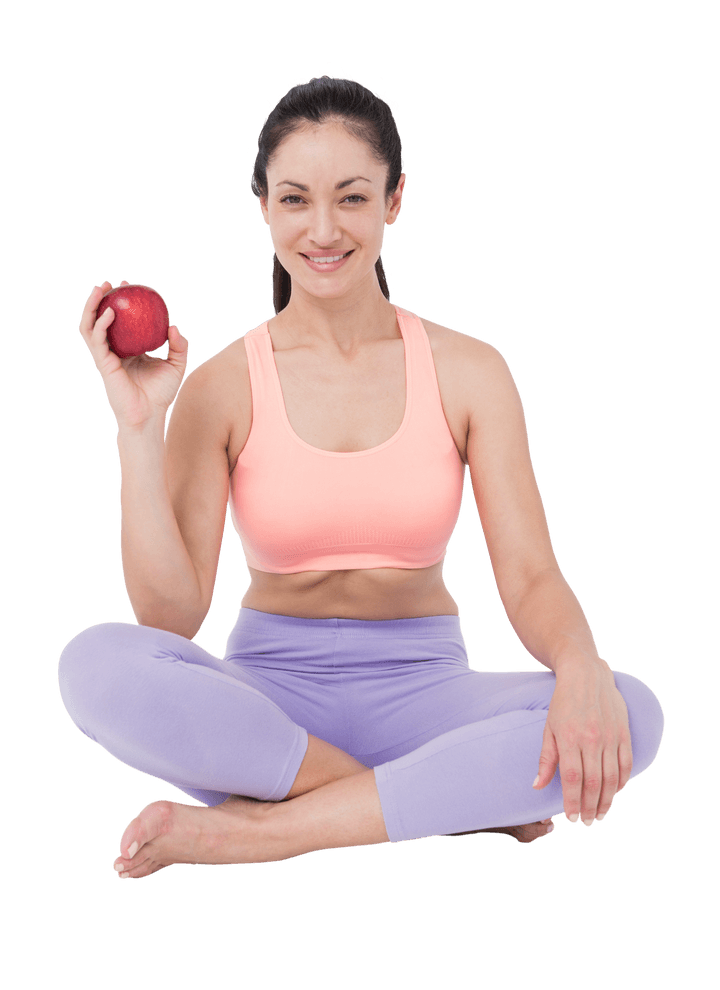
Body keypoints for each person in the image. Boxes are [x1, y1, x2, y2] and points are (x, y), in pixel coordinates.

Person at [58, 74, 664, 881]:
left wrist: (582, 668)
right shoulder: (221, 386)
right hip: (269, 711)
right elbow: (169, 619)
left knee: (633, 713)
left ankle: (261, 832)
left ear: (394, 200)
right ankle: (437, 799)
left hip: (430, 698)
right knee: (92, 664)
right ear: (263, 205)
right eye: (294, 200)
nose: (323, 229)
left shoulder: (470, 370)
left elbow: (529, 576)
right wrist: (139, 427)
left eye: (351, 197)